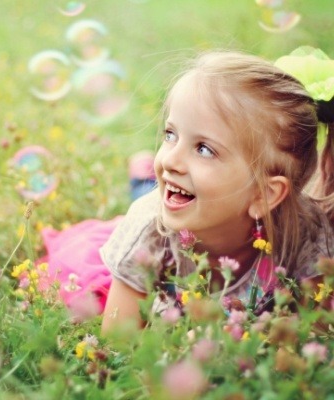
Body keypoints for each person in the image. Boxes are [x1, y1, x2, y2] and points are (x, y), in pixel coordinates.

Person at [99, 49, 334, 334]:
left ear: (264, 195)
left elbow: (319, 338)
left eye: (204, 149)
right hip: (167, 202)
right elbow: (116, 344)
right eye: (170, 134)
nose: (171, 160)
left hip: (184, 196)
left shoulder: (305, 234)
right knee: (147, 196)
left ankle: (142, 176)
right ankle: (140, 178)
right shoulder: (148, 232)